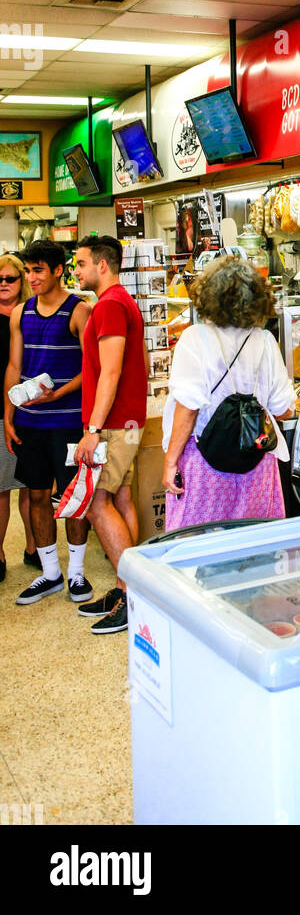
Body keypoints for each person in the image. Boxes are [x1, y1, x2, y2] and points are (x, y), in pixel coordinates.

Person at [162, 256, 294, 531]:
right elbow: (284, 410)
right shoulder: (265, 341)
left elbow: (187, 409)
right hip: (256, 464)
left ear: (208, 295)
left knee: (197, 547)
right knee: (252, 547)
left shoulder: (195, 338)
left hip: (203, 462)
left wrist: (170, 462)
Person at [5, 240, 92, 607]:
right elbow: (13, 367)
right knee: (37, 496)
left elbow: (94, 368)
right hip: (30, 422)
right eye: (28, 270)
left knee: (73, 500)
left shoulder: (79, 310)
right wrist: (9, 417)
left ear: (58, 270)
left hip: (68, 422)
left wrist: (60, 394)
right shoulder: (20, 313)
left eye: (38, 270)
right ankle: (50, 573)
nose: (31, 277)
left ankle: (76, 573)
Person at [73, 236, 148, 637]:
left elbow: (111, 372)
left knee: (96, 503)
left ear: (103, 265)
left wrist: (93, 429)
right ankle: (124, 590)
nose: (77, 271)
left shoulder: (110, 305)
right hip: (126, 421)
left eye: (82, 263)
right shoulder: (120, 302)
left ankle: (135, 594)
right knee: (120, 498)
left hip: (115, 423)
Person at [0, 254, 37, 581]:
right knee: (0, 488)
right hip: (0, 413)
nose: (3, 284)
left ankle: (33, 547)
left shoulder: (30, 314)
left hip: (30, 408)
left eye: (10, 278)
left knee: (31, 485)